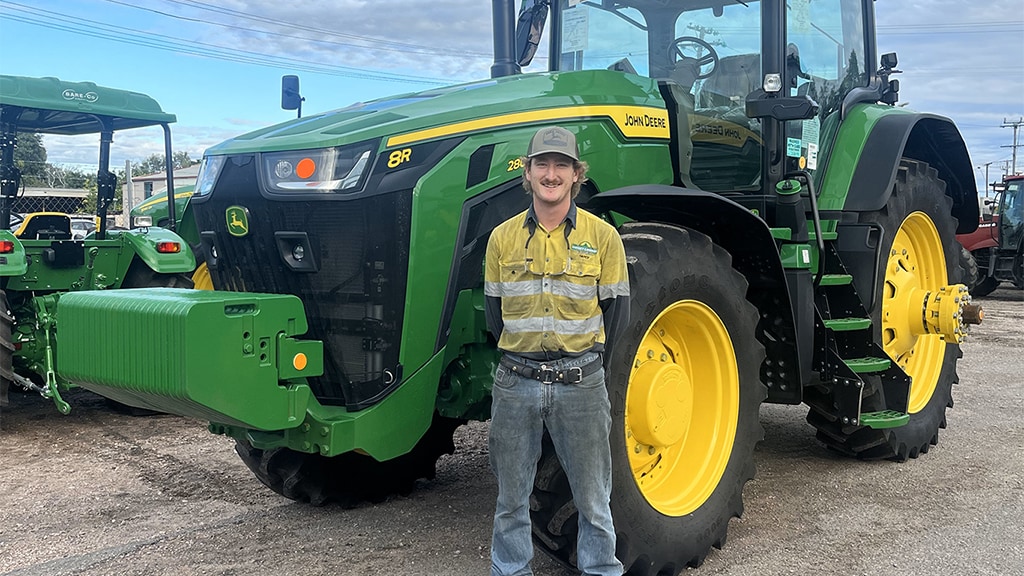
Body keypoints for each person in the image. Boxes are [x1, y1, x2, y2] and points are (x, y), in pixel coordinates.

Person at [484, 126, 629, 576]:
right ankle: (511, 570)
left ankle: (601, 570)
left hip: (580, 383)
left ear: (575, 175)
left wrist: (586, 364)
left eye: (561, 165)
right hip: (516, 383)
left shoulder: (603, 237)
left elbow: (617, 312)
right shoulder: (501, 239)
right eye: (542, 165)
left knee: (593, 497)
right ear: (527, 174)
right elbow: (495, 315)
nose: (551, 173)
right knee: (511, 499)